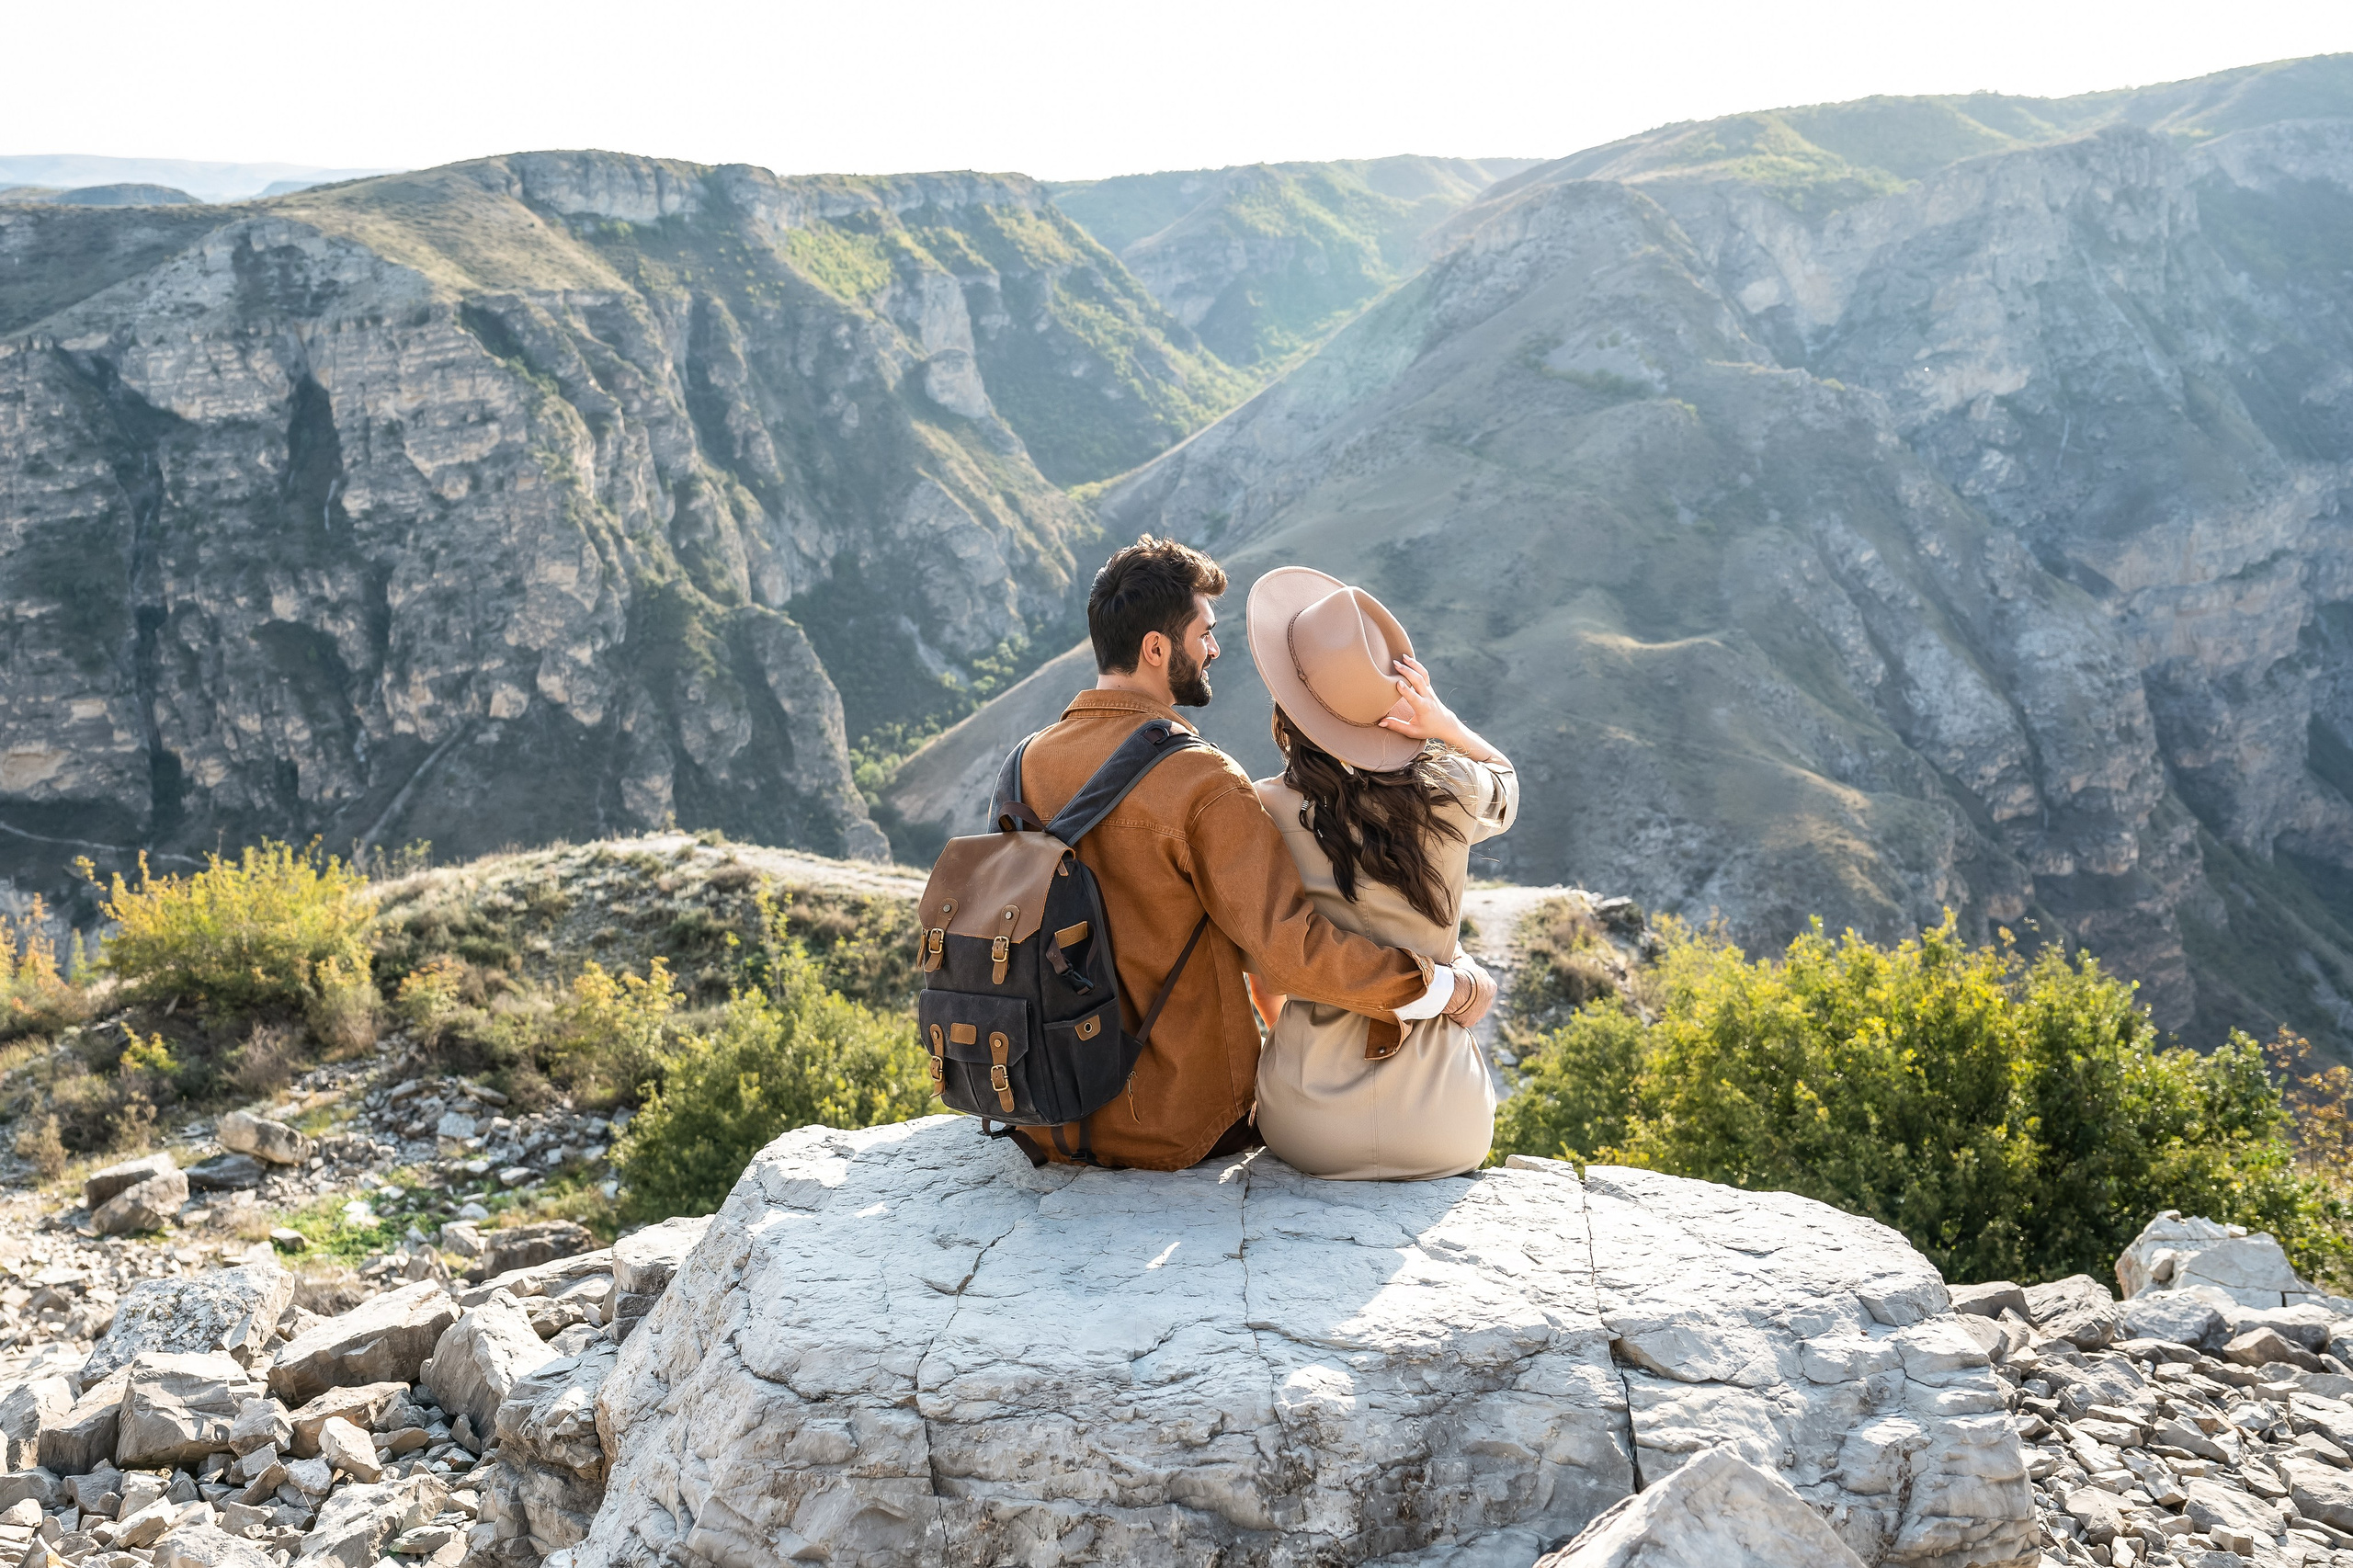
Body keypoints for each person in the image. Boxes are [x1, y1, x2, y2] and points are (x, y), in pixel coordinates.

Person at [999, 536, 1495, 1170]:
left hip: (1046, 1110)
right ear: (1156, 648)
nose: (1214, 648)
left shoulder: (1025, 763)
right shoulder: (1202, 782)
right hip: (1175, 1123)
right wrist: (1442, 987)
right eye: (1204, 633)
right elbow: (1294, 951)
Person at [1243, 566, 1517, 1180]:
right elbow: (1507, 781)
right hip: (1446, 1126)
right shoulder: (1454, 789)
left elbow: (1265, 967)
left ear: (1290, 706)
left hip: (1307, 1121)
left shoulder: (1261, 810)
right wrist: (1442, 722)